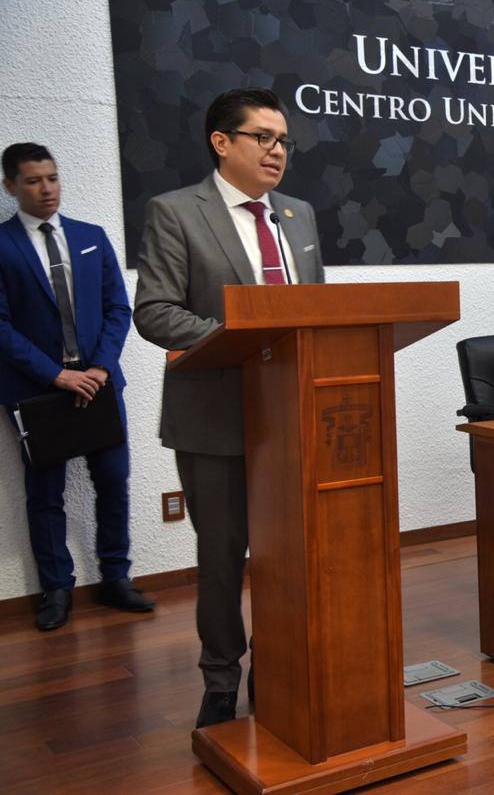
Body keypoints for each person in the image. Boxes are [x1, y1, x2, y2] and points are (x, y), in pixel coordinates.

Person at [133, 88, 324, 728]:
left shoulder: (297, 216)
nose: (277, 152)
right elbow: (155, 311)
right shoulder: (176, 212)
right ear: (222, 142)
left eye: (284, 142)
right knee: (223, 556)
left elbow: (314, 315)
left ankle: (279, 666)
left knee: (287, 553)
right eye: (263, 138)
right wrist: (238, 340)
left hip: (291, 419)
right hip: (214, 419)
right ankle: (221, 678)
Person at [0, 144, 154, 632]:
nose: (46, 189)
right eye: (32, 181)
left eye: (52, 177)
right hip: (37, 389)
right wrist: (57, 374)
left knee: (113, 480)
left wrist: (102, 369)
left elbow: (117, 309)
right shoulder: (1, 244)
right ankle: (57, 589)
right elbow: (0, 325)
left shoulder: (91, 237)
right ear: (10, 187)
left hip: (100, 384)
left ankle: (115, 578)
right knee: (45, 492)